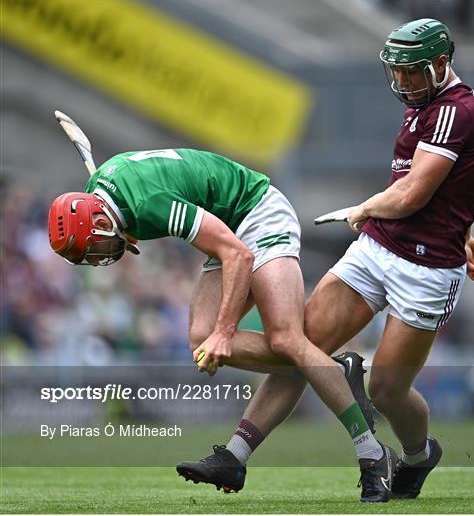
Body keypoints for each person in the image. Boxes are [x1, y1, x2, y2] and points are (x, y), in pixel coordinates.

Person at [178, 18, 474, 501]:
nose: (403, 82)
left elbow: (413, 192)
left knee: (386, 391)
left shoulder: (458, 111)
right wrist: (462, 227)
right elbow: (452, 185)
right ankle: (235, 457)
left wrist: (366, 207)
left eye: (412, 72)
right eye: (397, 71)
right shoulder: (424, 104)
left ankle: (417, 455)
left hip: (427, 269)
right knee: (300, 347)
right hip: (377, 248)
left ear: (440, 63)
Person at [47, 148, 390, 502]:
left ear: (101, 222)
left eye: (92, 249)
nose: (96, 259)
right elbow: (143, 211)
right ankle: (326, 372)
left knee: (286, 338)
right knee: (201, 338)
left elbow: (238, 254)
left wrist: (226, 332)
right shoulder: (100, 194)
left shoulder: (150, 202)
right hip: (226, 226)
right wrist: (127, 234)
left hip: (258, 212)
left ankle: (372, 454)